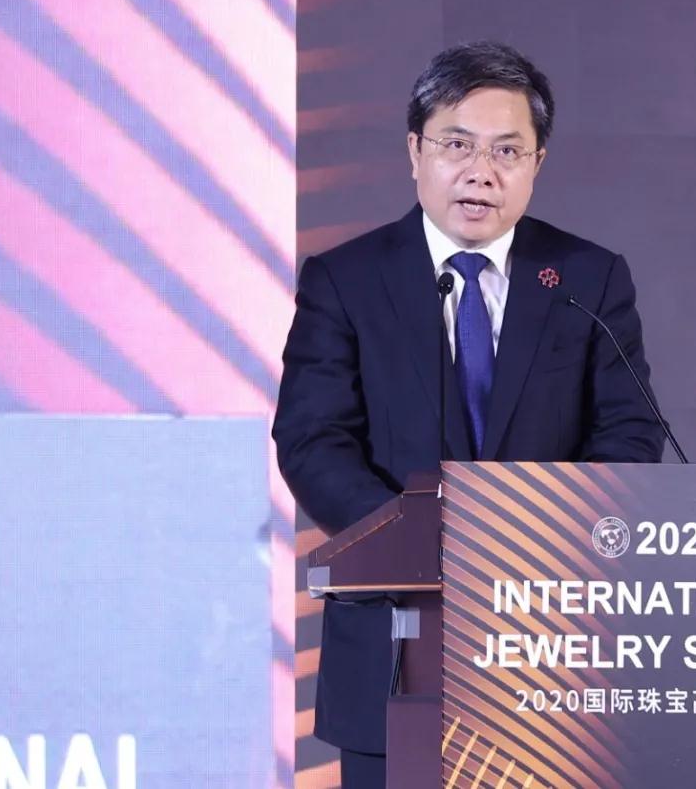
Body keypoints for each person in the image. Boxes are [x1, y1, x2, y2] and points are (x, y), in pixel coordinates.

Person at [273, 41, 664, 789]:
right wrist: (422, 542)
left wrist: (537, 545)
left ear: (537, 163)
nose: (481, 171)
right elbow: (313, 440)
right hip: (395, 641)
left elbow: (630, 431)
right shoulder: (346, 279)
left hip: (549, 646)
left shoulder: (587, 278)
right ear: (415, 151)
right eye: (457, 144)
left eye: (507, 151)